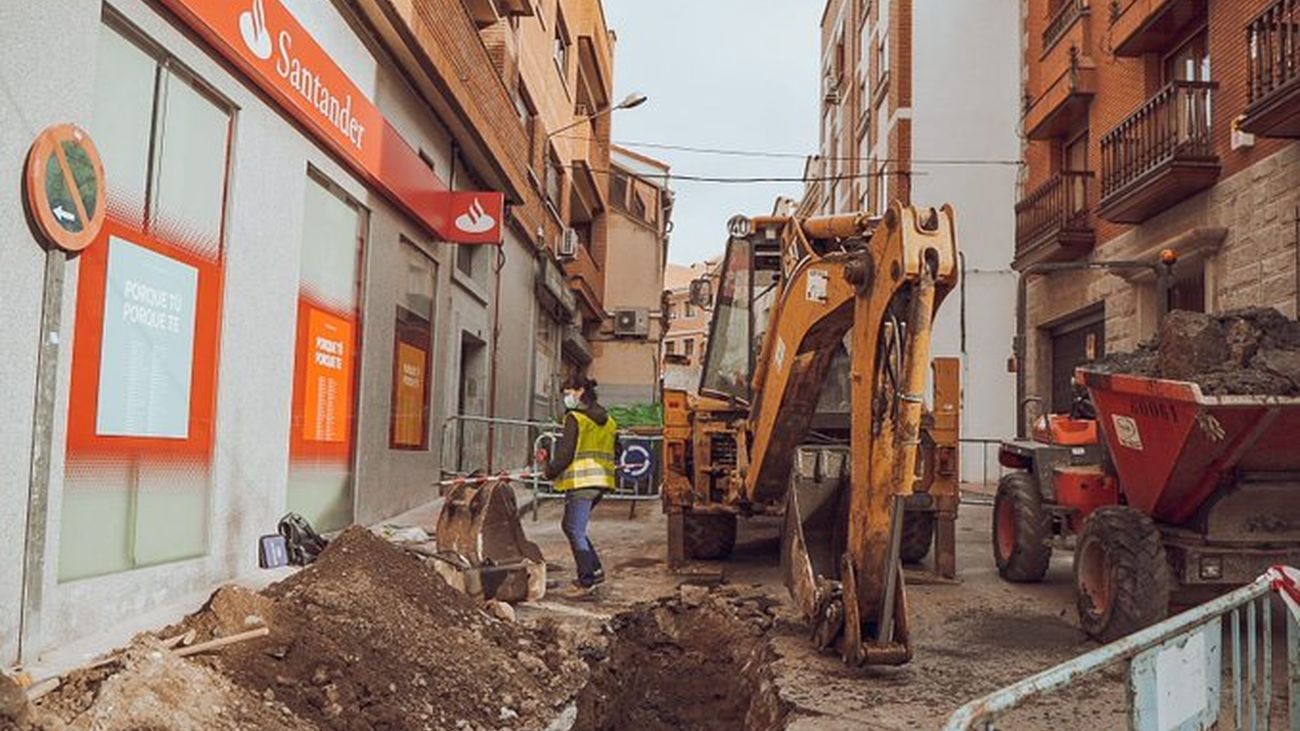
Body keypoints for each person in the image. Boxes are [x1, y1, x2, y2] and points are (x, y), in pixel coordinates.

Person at [537, 375, 619, 594]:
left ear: (580, 391)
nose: (566, 398)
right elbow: (617, 450)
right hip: (601, 481)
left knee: (574, 529)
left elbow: (565, 454)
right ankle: (595, 570)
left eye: (568, 393)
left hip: (582, 482)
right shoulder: (609, 420)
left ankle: (586, 581)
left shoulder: (575, 418)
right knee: (573, 527)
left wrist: (549, 471)